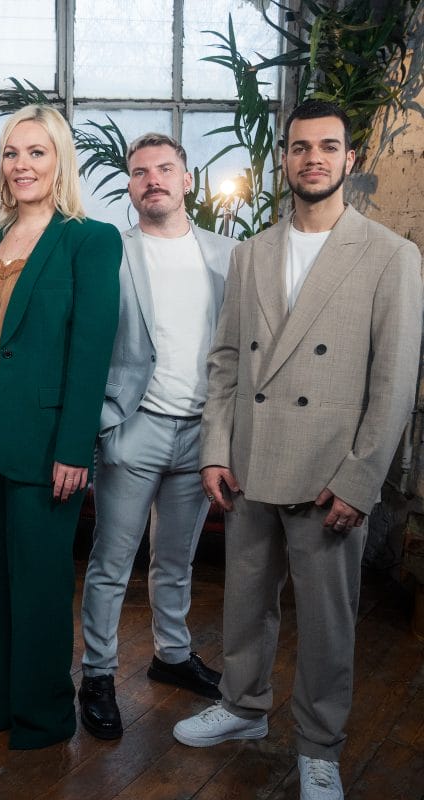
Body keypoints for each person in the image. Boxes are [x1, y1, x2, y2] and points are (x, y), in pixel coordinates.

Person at [173, 100, 422, 800]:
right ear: (284, 158)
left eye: (328, 147)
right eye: (301, 147)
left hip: (328, 473)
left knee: (327, 622)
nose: (314, 158)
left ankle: (319, 746)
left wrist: (360, 480)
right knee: (245, 602)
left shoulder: (390, 255)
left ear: (349, 159)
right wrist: (215, 448)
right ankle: (243, 706)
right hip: (251, 461)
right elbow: (227, 360)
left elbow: (393, 383)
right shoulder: (252, 252)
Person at [0, 104, 121, 749]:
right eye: (12, 153)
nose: (22, 165)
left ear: (59, 161)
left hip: (45, 435)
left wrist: (74, 446)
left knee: (40, 583)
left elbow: (91, 352)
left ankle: (42, 720)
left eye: (36, 152)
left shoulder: (90, 240)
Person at [77, 133, 236, 740]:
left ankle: (172, 654)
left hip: (201, 433)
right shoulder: (112, 253)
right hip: (133, 425)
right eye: (140, 171)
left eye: (165, 168)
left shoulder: (228, 254)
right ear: (130, 185)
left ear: (187, 179)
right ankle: (97, 674)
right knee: (111, 563)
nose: (154, 180)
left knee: (176, 559)